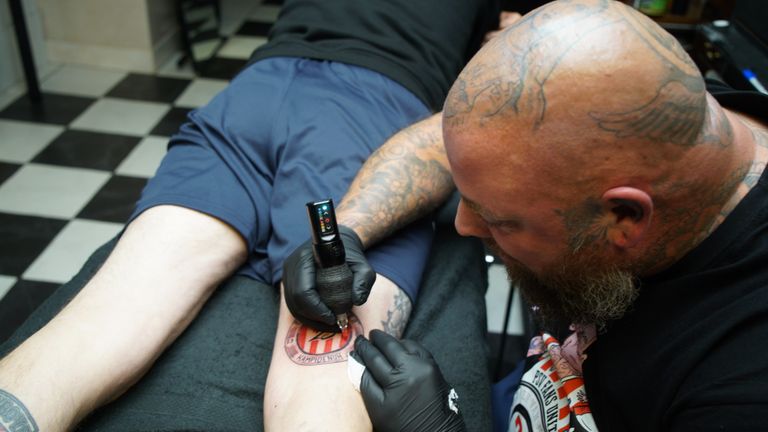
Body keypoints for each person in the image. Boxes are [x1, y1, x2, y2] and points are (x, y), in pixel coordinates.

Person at [0, 1, 503, 431]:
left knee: (109, 313)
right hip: (372, 100)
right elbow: (510, 73)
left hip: (252, 92)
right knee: (320, 368)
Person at [283, 0, 768, 430]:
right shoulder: (657, 108)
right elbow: (434, 145)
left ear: (623, 218)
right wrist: (349, 229)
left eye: (500, 219)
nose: (464, 226)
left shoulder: (740, 388)